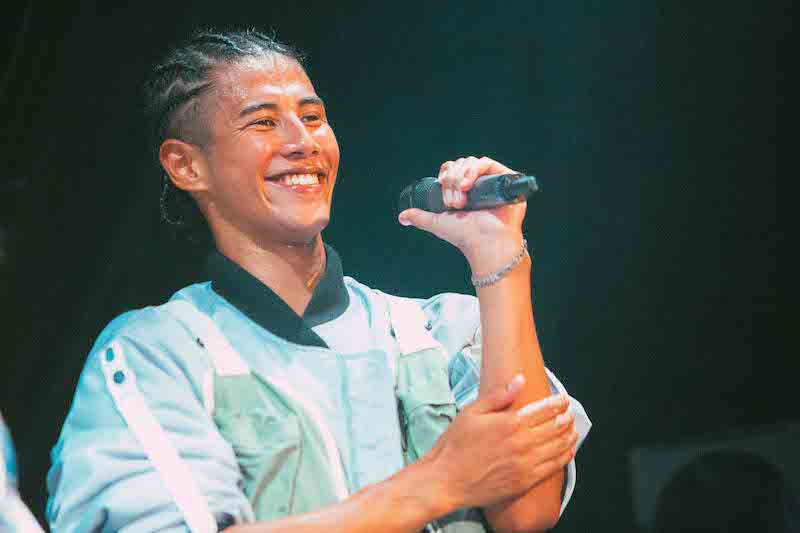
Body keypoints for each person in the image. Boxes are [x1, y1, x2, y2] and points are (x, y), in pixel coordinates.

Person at [46, 29, 591, 532]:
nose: (302, 140)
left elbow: (527, 512)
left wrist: (500, 258)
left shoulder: (438, 331)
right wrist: (438, 482)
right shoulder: (159, 353)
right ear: (187, 166)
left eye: (312, 116)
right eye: (263, 122)